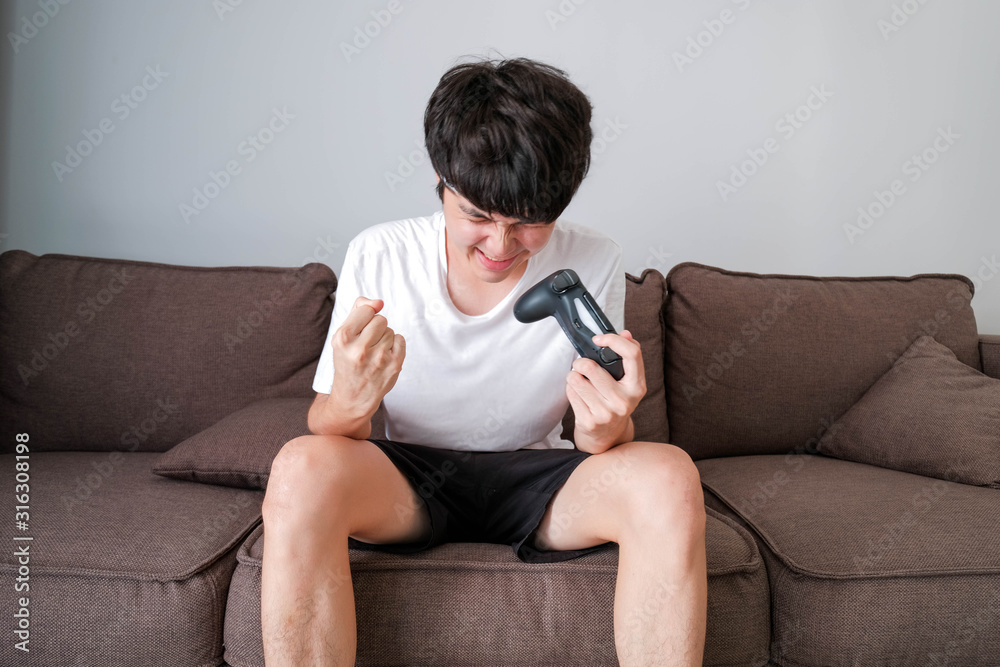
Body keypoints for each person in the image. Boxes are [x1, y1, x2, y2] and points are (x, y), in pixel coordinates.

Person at [260, 56, 707, 666]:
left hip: (538, 479)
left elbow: (600, 441)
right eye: (477, 215)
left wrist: (609, 425)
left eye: (528, 224)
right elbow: (329, 427)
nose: (500, 245)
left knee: (669, 473)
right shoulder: (381, 252)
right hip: (407, 481)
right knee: (299, 467)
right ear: (441, 180)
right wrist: (348, 402)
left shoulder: (595, 257)